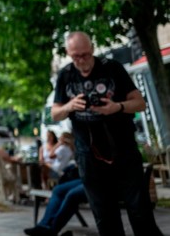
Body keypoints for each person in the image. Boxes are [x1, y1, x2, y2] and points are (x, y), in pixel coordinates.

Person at [51, 31, 162, 236]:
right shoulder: (65, 75)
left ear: (92, 49)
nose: (82, 60)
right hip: (89, 157)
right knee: (105, 216)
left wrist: (117, 107)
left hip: (123, 151)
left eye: (85, 54)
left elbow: (139, 103)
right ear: (68, 53)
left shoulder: (112, 68)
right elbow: (55, 113)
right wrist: (70, 106)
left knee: (140, 212)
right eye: (76, 56)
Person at [23, 178, 87, 236]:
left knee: (72, 195)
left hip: (95, 181)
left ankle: (52, 231)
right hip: (87, 177)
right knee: (58, 190)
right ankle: (43, 226)